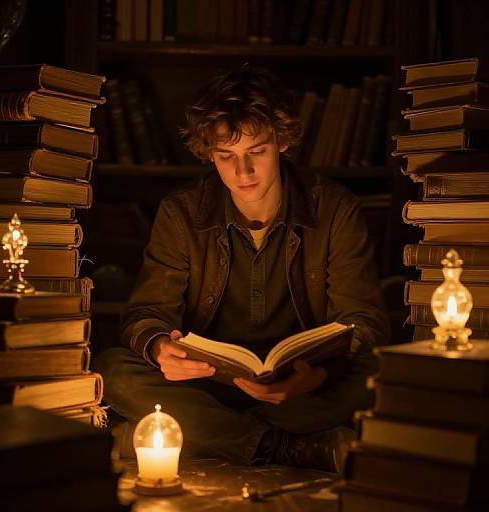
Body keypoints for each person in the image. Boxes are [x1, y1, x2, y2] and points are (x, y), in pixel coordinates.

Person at [94, 65, 390, 473]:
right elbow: (146, 315)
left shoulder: (334, 207)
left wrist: (315, 378)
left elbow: (365, 321)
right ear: (208, 154)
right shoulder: (182, 213)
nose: (243, 172)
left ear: (282, 142)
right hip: (211, 389)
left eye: (257, 152)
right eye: (226, 156)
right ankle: (285, 446)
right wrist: (161, 347)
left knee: (381, 371)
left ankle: (209, 436)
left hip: (302, 389)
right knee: (112, 370)